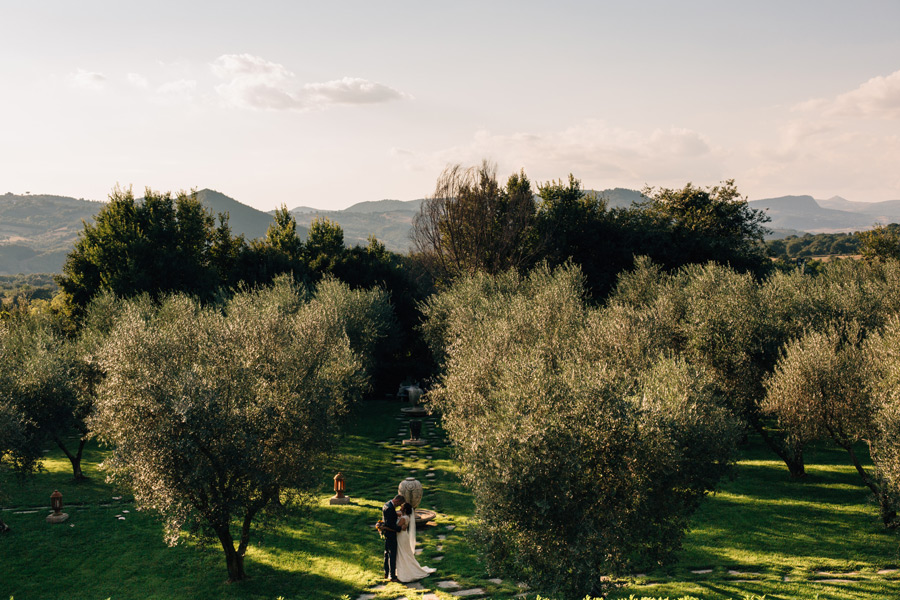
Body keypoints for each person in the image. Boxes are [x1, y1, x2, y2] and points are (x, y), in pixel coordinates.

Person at [396, 502, 435, 582]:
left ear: (405, 509)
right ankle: (404, 569)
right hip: (403, 535)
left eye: (402, 507)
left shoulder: (403, 518)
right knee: (405, 553)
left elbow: (397, 527)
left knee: (402, 553)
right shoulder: (405, 517)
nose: (400, 508)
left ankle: (405, 571)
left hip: (401, 536)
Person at [381, 494, 405, 582]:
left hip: (386, 533)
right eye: (399, 504)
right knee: (392, 554)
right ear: (397, 501)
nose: (398, 506)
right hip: (391, 534)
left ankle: (386, 573)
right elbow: (391, 524)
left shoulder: (386, 504)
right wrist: (399, 528)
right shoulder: (390, 508)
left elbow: (387, 520)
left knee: (386, 553)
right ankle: (393, 576)